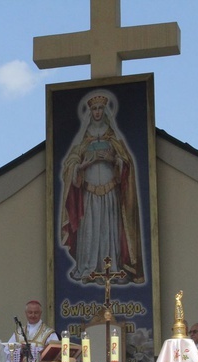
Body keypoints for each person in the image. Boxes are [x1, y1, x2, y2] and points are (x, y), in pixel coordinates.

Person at [59, 89, 144, 284]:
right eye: (94, 109)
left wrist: (114, 159)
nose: (97, 112)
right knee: (89, 230)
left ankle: (112, 269)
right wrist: (83, 165)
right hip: (88, 193)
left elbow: (126, 162)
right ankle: (88, 269)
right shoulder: (83, 138)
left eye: (100, 109)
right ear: (90, 113)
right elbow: (70, 163)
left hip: (110, 192)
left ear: (105, 111)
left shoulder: (113, 136)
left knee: (108, 230)